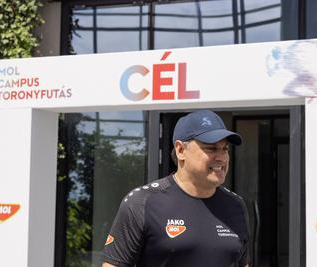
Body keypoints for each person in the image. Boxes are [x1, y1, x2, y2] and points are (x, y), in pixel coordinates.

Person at [102, 110, 251, 267]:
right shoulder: (142, 202)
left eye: (225, 149)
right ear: (181, 150)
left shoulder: (236, 206)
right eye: (211, 148)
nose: (222, 157)